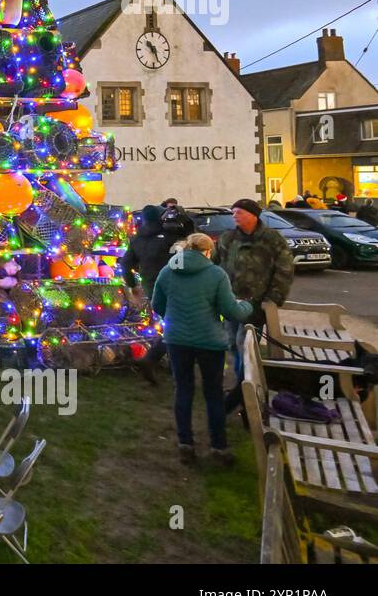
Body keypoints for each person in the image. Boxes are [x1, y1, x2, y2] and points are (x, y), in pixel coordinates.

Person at [151, 233, 252, 464]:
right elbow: (231, 311)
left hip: (176, 340)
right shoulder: (216, 274)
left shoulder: (168, 271)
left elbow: (157, 304)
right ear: (208, 251)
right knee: (213, 394)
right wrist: (247, 305)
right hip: (209, 341)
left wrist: (174, 317)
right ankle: (218, 446)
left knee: (183, 390)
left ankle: (185, 443)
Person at [214, 198, 293, 383]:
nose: (234, 216)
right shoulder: (228, 238)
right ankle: (240, 382)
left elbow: (285, 269)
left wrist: (273, 298)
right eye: (233, 212)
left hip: (256, 303)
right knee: (231, 342)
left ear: (253, 215)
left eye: (239, 212)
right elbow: (214, 264)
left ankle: (246, 384)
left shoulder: (272, 239)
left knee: (246, 344)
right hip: (230, 301)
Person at [124, 205, 184, 384]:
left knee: (172, 325)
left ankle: (172, 366)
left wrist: (133, 286)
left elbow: (126, 264)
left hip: (152, 288)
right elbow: (180, 260)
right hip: (173, 286)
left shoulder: (137, 239)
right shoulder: (169, 237)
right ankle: (152, 359)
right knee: (178, 327)